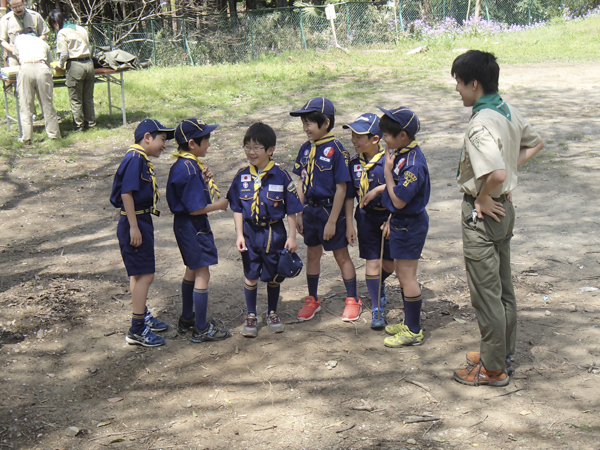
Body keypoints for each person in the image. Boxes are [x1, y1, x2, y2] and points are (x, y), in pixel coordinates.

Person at [450, 50, 544, 387]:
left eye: (459, 84)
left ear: (473, 83)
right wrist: (503, 183)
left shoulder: (480, 123)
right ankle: (501, 353)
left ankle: (492, 369)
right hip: (505, 211)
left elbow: (498, 172)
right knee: (503, 289)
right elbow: (535, 143)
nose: (458, 90)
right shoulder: (506, 110)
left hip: (484, 213)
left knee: (486, 293)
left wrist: (484, 194)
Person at [226, 123, 303, 337]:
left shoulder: (281, 176)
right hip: (250, 233)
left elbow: (291, 209)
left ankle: (272, 312)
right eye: (247, 147)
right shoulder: (241, 177)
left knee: (273, 276)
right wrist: (239, 234)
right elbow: (237, 208)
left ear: (270, 150)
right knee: (250, 275)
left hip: (274, 233)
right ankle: (251, 315)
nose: (251, 152)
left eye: (256, 147)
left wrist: (292, 236)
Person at [290, 97, 360, 322]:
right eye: (304, 122)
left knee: (341, 255)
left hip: (331, 211)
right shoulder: (305, 149)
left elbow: (342, 189)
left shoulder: (337, 150)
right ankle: (312, 298)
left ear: (326, 123)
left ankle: (352, 299)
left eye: (310, 122)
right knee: (312, 253)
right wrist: (299, 212)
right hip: (310, 211)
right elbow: (301, 181)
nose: (305, 127)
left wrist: (332, 221)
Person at [110, 119, 175, 347]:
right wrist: (134, 226)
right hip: (134, 219)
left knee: (138, 274)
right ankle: (136, 329)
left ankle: (142, 314)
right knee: (147, 275)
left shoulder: (139, 158)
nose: (164, 145)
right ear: (147, 137)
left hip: (139, 218)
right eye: (162, 140)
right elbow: (126, 193)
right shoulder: (135, 158)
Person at [166, 118, 231, 344]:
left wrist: (202, 181)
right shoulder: (190, 168)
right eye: (206, 140)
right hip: (193, 227)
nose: (209, 144)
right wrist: (220, 205)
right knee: (203, 273)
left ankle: (187, 318)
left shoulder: (185, 165)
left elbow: (186, 194)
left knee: (192, 270)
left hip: (184, 227)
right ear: (192, 143)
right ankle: (201, 328)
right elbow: (195, 209)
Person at [378, 106, 430, 348]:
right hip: (400, 222)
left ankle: (414, 330)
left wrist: (387, 174)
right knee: (401, 274)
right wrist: (390, 218)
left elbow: (399, 199)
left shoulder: (413, 164)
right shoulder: (401, 153)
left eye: (387, 135)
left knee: (407, 277)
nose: (383, 139)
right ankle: (409, 323)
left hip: (410, 224)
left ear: (402, 136)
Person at [344, 113, 394, 329]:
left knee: (390, 264)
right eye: (353, 135)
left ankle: (378, 284)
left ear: (375, 139)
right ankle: (376, 309)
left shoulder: (389, 161)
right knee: (372, 262)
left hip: (389, 215)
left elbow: (399, 193)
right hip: (365, 217)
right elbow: (348, 195)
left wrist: (392, 219)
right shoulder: (353, 163)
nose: (355, 140)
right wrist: (348, 224)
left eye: (359, 136)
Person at [48, 9, 96, 132]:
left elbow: (63, 54)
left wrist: (59, 65)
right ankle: (91, 123)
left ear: (55, 22)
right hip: (89, 64)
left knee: (76, 99)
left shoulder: (62, 33)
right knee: (88, 98)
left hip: (75, 65)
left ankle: (78, 126)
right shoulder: (81, 29)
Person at [11, 28, 61, 144]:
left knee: (26, 104)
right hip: (42, 68)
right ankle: (54, 134)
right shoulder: (43, 42)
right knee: (47, 103)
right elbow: (49, 62)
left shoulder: (19, 38)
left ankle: (27, 137)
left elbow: (17, 56)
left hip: (26, 68)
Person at [0, 0, 49, 67]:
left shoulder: (35, 16)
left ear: (24, 2)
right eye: (14, 7)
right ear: (9, 6)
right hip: (15, 57)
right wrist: (15, 51)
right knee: (15, 76)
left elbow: (44, 34)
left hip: (34, 54)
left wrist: (34, 44)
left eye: (20, 6)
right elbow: (2, 40)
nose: (18, 9)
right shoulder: (5, 20)